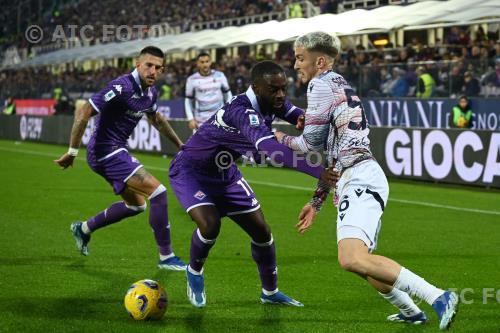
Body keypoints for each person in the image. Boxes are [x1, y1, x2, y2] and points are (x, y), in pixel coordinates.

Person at [275, 32, 459, 330]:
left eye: (299, 58)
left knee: (351, 258)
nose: (295, 65)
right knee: (361, 261)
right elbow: (333, 151)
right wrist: (316, 202)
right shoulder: (339, 84)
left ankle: (438, 296)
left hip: (360, 176)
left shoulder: (319, 84)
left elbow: (309, 144)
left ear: (319, 61)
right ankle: (412, 312)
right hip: (356, 175)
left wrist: (276, 137)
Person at [169, 60, 336, 308]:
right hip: (191, 172)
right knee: (210, 224)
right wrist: (318, 171)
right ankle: (194, 272)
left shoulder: (270, 101)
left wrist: (303, 118)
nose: (280, 94)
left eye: (283, 88)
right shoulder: (242, 111)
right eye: (274, 89)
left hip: (226, 174)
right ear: (256, 87)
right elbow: (271, 149)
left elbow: (292, 112)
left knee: (262, 232)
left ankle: (270, 292)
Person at [54, 46, 186, 271]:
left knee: (136, 206)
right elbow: (85, 111)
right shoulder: (121, 87)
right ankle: (166, 257)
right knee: (159, 192)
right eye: (149, 65)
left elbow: (157, 120)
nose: (153, 71)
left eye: (158, 68)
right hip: (105, 152)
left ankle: (83, 229)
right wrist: (73, 151)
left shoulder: (150, 92)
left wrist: (180, 145)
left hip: (116, 151)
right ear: (138, 64)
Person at [185, 52, 232, 131]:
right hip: (200, 122)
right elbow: (188, 100)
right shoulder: (191, 79)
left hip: (219, 120)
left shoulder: (220, 76)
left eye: (207, 61)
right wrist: (190, 118)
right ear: (197, 64)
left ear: (210, 62)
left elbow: (228, 95)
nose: (205, 64)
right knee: (199, 143)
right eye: (202, 62)